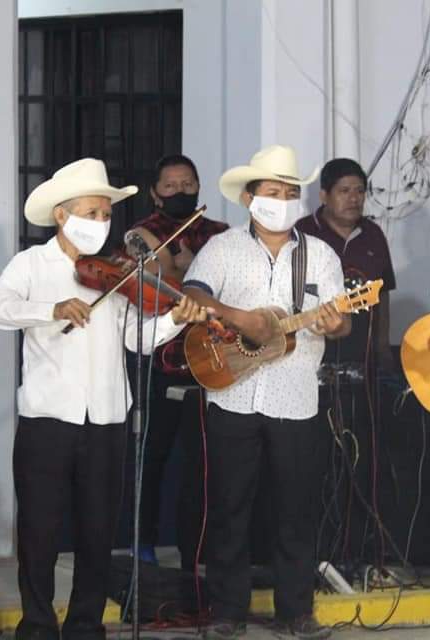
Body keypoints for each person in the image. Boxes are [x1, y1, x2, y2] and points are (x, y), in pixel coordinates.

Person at [0, 158, 209, 640]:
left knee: (98, 531)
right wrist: (51, 309)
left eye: (106, 215)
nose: (101, 223)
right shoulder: (31, 265)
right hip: (48, 417)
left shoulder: (121, 274)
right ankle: (38, 625)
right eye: (91, 212)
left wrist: (177, 319)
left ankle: (86, 626)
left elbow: (138, 341)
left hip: (106, 415)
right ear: (63, 215)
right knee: (39, 533)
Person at [181, 145, 350, 640]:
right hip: (232, 394)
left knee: (295, 510)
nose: (282, 200)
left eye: (290, 193)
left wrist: (337, 324)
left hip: (296, 397)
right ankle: (226, 611)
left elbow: (336, 325)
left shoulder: (320, 255)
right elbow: (192, 295)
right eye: (272, 192)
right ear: (250, 197)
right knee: (230, 506)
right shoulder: (223, 248)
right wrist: (242, 319)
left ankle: (295, 611)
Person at [121, 155, 229, 566]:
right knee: (154, 455)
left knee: (206, 462)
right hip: (162, 360)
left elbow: (232, 289)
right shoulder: (141, 235)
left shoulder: (221, 233)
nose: (181, 192)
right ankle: (142, 544)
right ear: (155, 192)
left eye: (188, 183)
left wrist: (185, 270)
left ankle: (197, 551)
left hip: (215, 358)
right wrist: (189, 273)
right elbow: (160, 288)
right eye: (170, 185)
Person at [295, 158, 396, 370]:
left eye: (360, 191)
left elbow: (383, 292)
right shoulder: (302, 233)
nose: (354, 199)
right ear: (324, 195)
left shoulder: (373, 234)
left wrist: (383, 346)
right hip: (310, 355)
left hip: (362, 356)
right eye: (344, 191)